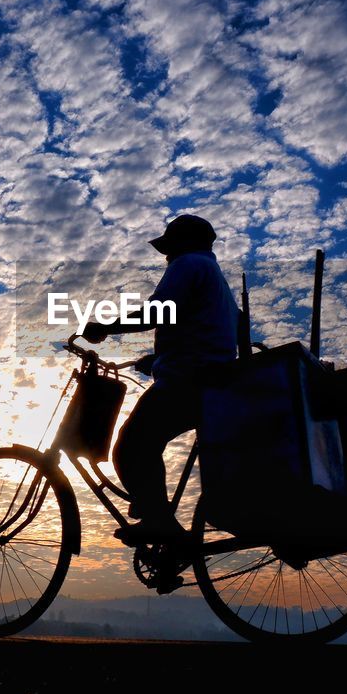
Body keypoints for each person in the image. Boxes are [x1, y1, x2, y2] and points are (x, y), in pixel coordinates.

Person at [82, 214, 240, 548]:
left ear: (183, 244)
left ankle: (158, 520)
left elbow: (159, 312)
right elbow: (201, 329)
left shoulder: (188, 265)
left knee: (131, 444)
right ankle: (163, 527)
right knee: (145, 443)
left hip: (189, 380)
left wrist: (105, 327)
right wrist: (156, 359)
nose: (166, 256)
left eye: (169, 247)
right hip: (209, 380)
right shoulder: (214, 277)